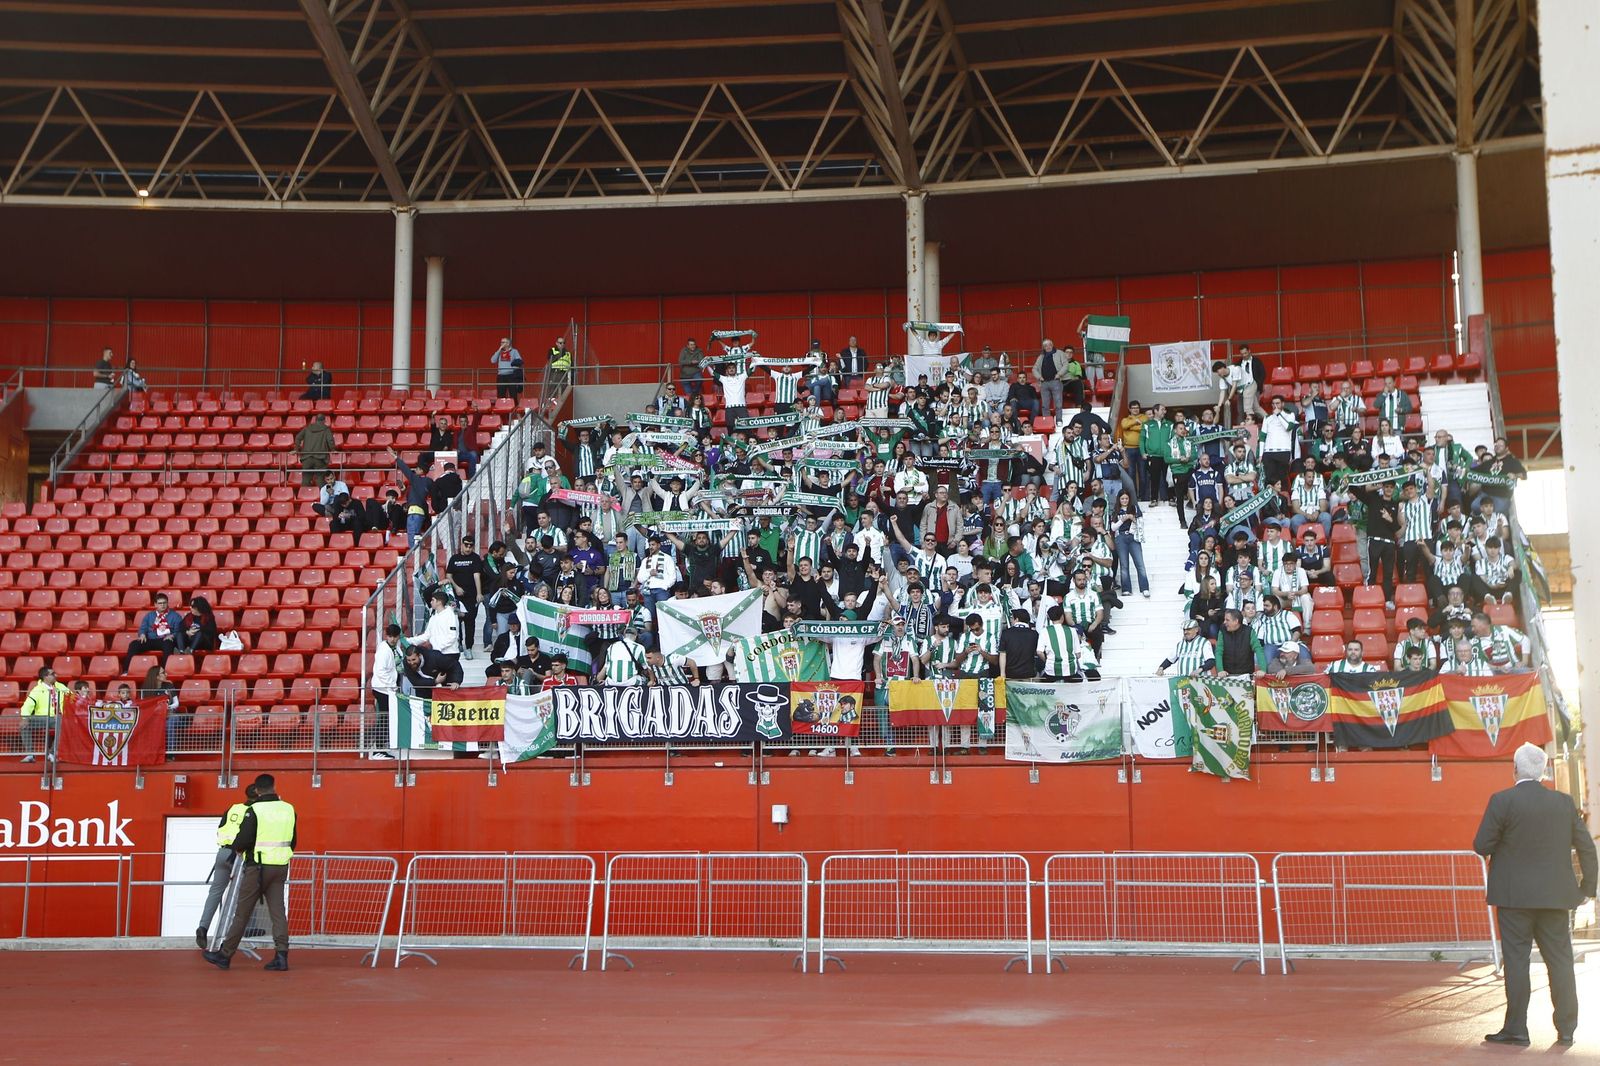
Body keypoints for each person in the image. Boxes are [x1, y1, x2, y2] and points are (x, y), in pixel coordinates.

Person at [1474, 743, 1597, 1047]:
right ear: (1544, 770)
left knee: (1517, 962)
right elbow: (1587, 848)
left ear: (1514, 769)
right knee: (1560, 961)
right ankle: (1566, 1028)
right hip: (1556, 896)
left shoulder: (1502, 801)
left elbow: (1482, 844)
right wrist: (1587, 890)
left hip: (1514, 898)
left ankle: (1516, 1028)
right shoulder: (1564, 803)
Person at [203, 773, 297, 972]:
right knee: (278, 912)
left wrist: (236, 849)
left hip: (257, 867)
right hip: (280, 866)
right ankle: (281, 956)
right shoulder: (289, 809)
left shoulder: (254, 809)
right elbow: (293, 839)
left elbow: (244, 839)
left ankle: (225, 954)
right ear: (273, 786)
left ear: (257, 790)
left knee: (242, 912)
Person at [196, 781, 258, 949]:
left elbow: (221, 828)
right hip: (239, 855)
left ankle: (203, 927)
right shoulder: (255, 811)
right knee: (241, 896)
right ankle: (231, 935)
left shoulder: (233, 808)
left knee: (215, 892)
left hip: (222, 852)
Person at [19, 665, 72, 763]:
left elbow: (72, 698)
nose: (55, 675)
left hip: (59, 717)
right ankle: (30, 754)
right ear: (45, 677)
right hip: (43, 718)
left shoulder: (60, 686)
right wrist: (25, 718)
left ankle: (52, 753)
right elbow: (28, 704)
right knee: (23, 725)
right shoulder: (37, 689)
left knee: (62, 722)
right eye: (52, 674)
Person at [124, 592, 183, 670]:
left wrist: (172, 635)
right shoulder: (149, 616)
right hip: (150, 639)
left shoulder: (175, 616)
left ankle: (164, 671)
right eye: (160, 603)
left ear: (167, 603)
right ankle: (126, 670)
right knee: (133, 644)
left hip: (165, 640)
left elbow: (179, 631)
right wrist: (142, 634)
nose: (162, 605)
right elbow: (143, 628)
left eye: (164, 603)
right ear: (155, 604)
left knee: (168, 644)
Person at [295, 412, 335, 487]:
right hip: (320, 458)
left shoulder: (307, 428)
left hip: (306, 458)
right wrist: (333, 449)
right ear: (324, 420)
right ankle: (321, 497)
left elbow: (298, 437)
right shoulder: (326, 429)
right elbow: (330, 441)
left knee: (306, 479)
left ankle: (304, 496)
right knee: (320, 479)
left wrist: (296, 448)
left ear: (315, 420)